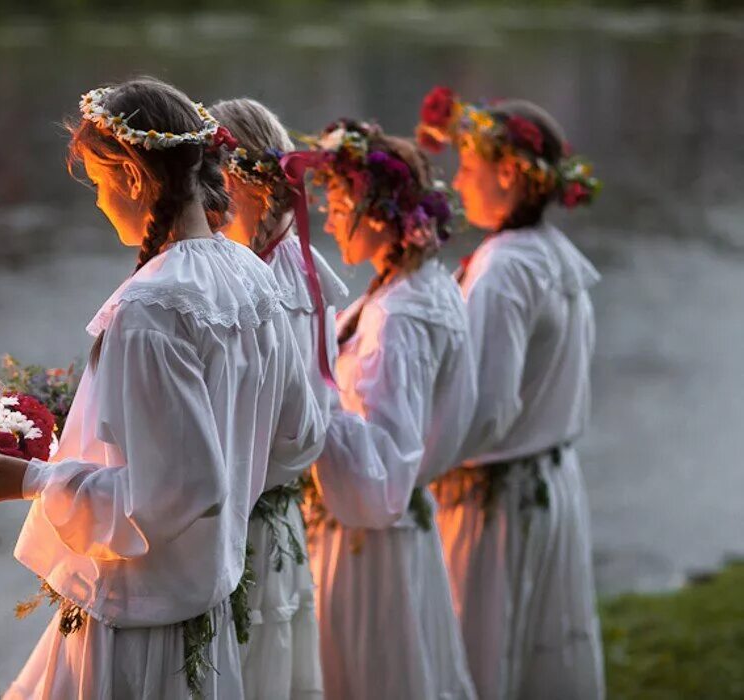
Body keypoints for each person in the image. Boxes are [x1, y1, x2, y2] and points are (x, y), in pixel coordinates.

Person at [0, 78, 326, 699]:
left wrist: (29, 479)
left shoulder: (151, 306)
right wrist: (228, 497)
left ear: (132, 176)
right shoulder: (250, 274)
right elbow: (301, 435)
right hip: (204, 617)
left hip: (138, 629)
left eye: (100, 184)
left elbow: (176, 489)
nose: (100, 204)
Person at [418, 87, 605, 700]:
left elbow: (487, 408)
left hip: (493, 504)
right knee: (535, 658)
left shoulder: (503, 269)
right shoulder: (558, 256)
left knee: (480, 657)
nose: (460, 180)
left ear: (508, 174)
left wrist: (413, 468)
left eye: (471, 167)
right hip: (551, 485)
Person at [304, 119, 478, 699]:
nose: (326, 221)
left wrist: (306, 409)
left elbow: (381, 466)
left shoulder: (397, 318)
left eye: (335, 204)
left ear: (376, 212)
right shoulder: (422, 286)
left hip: (370, 544)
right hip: (401, 529)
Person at [209, 97, 349, 700]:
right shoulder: (305, 264)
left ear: (233, 176)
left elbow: (286, 415)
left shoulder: (250, 275)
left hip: (242, 516)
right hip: (279, 509)